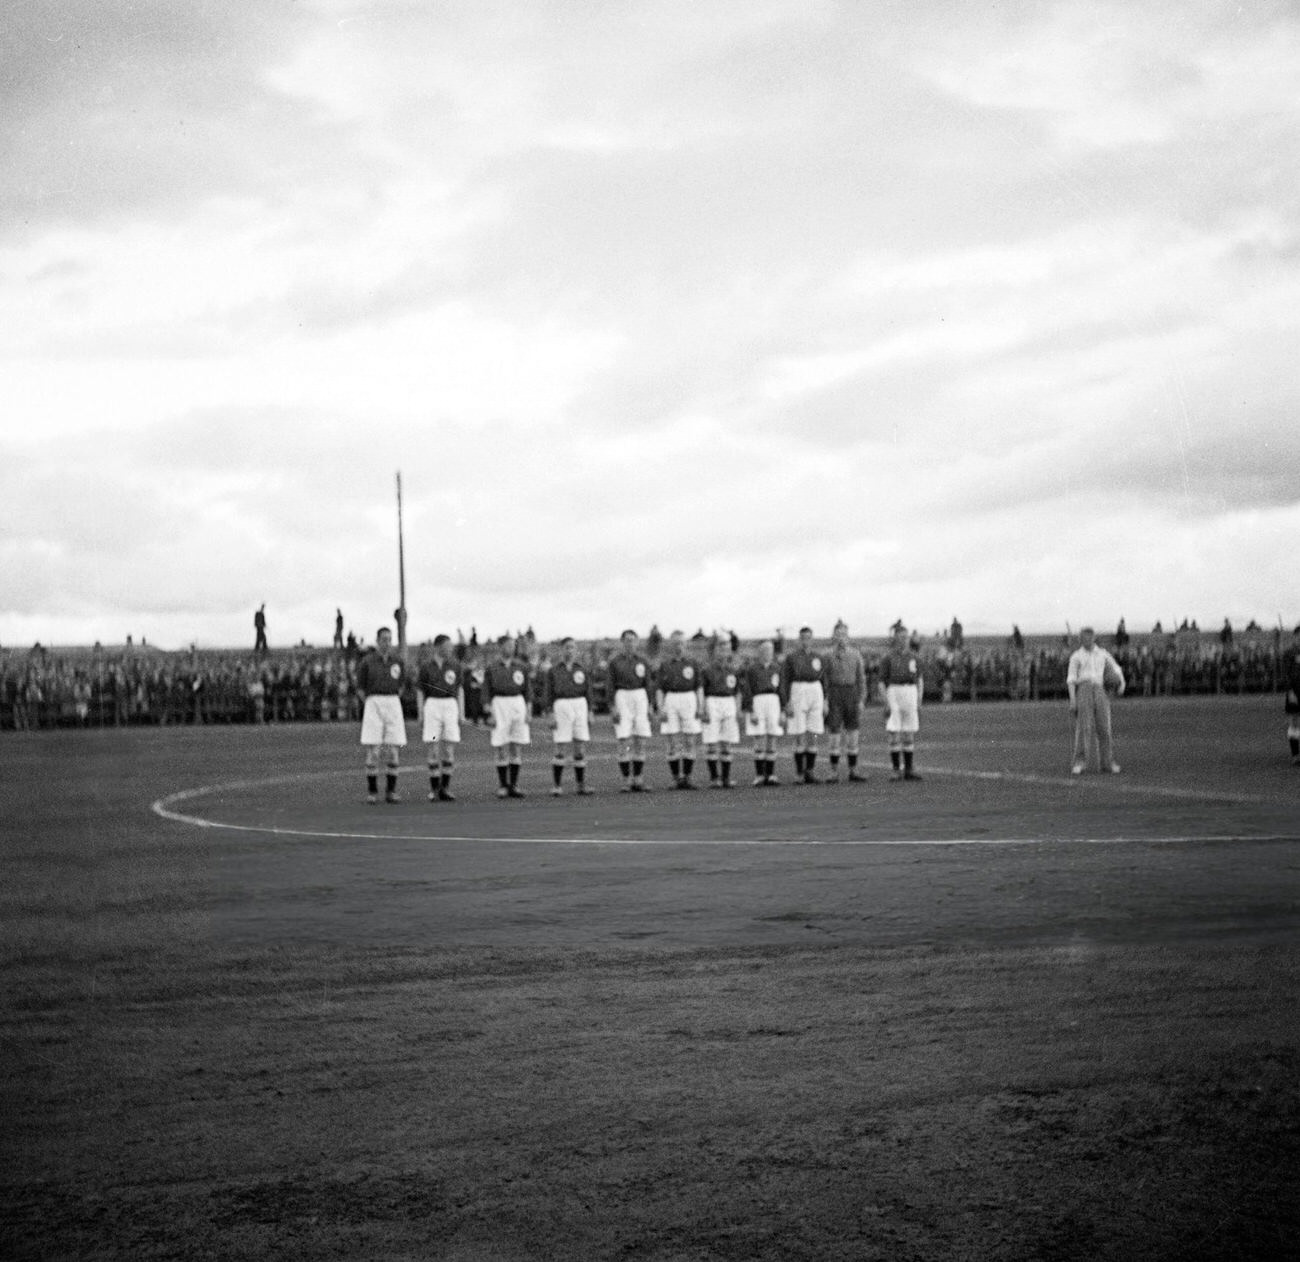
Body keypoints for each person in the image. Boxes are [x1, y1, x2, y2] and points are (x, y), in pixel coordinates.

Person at [355, 626, 407, 803]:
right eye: (384, 639)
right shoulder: (367, 661)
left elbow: (401, 685)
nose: (387, 642)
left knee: (393, 748)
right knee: (374, 749)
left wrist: (390, 699)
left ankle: (391, 791)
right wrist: (371, 703)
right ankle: (372, 791)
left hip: (392, 702)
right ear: (377, 640)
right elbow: (360, 688)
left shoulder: (397, 661)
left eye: (389, 639)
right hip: (373, 702)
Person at [1066, 626, 1125, 775]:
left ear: (1093, 638)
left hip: (1099, 688)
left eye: (1088, 637)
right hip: (1084, 689)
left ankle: (1107, 763)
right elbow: (1071, 679)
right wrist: (1073, 699)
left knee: (1105, 728)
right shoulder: (1076, 656)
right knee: (1083, 728)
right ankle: (1079, 762)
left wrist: (1122, 683)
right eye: (1083, 638)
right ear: (1080, 639)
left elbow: (1116, 669)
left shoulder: (1103, 654)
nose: (1085, 640)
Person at [543, 637, 595, 795]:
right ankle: (557, 786)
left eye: (572, 647)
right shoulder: (553, 670)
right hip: (562, 706)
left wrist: (590, 711)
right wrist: (550, 713)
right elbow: (548, 693)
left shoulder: (582, 669)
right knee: (561, 745)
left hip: (580, 705)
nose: (570, 650)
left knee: (580, 746)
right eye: (567, 647)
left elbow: (588, 691)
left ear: (576, 650)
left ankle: (581, 785)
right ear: (561, 650)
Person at [606, 629, 655, 792]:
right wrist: (613, 707)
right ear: (622, 642)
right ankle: (626, 780)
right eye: (627, 640)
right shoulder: (614, 662)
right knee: (624, 739)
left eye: (633, 640)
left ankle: (638, 779)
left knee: (640, 739)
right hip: (622, 697)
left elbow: (648, 684)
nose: (630, 643)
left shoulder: (643, 661)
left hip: (640, 697)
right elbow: (610, 685)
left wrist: (649, 705)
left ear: (637, 642)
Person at [416, 634, 463, 802]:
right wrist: (421, 713)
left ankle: (445, 788)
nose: (451, 649)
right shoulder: (426, 666)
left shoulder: (455, 665)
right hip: (433, 706)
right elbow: (420, 691)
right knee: (433, 746)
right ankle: (434, 789)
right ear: (438, 647)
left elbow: (459, 689)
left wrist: (461, 713)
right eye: (448, 646)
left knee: (449, 747)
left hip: (450, 705)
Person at [482, 636, 530, 798]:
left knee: (516, 744)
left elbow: (527, 691)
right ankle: (503, 785)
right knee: (501, 745)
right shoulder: (492, 667)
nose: (512, 648)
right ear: (501, 647)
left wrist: (528, 711)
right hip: (499, 704)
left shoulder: (521, 667)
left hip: (517, 703)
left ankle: (514, 785)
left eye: (513, 645)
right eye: (508, 645)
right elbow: (486, 691)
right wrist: (489, 712)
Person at [657, 630, 703, 789]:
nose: (679, 646)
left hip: (689, 699)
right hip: (671, 699)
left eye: (682, 643)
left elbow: (699, 687)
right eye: (676, 643)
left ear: (686, 644)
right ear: (671, 645)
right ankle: (676, 778)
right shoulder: (665, 664)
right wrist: (661, 708)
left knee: (690, 740)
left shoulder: (692, 663)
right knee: (672, 740)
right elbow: (659, 689)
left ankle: (688, 777)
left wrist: (700, 705)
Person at [782, 625, 827, 784]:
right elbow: (785, 680)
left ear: (812, 639)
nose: (805, 641)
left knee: (813, 733)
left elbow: (824, 680)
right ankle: (799, 773)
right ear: (799, 640)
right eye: (803, 638)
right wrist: (786, 701)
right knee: (799, 732)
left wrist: (826, 700)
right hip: (798, 691)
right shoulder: (791, 658)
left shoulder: (818, 657)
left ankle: (810, 771)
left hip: (815, 691)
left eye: (808, 638)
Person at [879, 624, 923, 781]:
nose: (904, 640)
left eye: (906, 637)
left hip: (910, 692)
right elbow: (881, 682)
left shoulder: (914, 657)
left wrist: (919, 699)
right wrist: (886, 701)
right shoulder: (888, 658)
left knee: (909, 732)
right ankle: (896, 769)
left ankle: (909, 769)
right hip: (894, 692)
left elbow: (919, 679)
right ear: (895, 638)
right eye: (901, 637)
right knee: (894, 731)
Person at [824, 619, 867, 782]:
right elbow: (824, 680)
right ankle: (833, 771)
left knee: (853, 733)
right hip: (835, 694)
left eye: (844, 634)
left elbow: (861, 678)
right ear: (833, 636)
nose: (841, 637)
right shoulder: (827, 655)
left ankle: (853, 769)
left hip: (851, 693)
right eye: (838, 634)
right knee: (834, 734)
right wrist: (825, 699)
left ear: (848, 636)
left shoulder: (855, 654)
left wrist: (861, 699)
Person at [700, 642, 742, 788]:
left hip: (729, 702)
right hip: (712, 702)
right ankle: (714, 778)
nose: (723, 653)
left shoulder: (733, 670)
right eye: (720, 650)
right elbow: (702, 691)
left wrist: (737, 709)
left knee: (727, 742)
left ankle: (725, 778)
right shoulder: (706, 670)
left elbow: (737, 692)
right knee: (712, 741)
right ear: (715, 652)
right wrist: (703, 708)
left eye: (726, 650)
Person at [742, 641, 784, 785]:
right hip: (758, 701)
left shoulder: (777, 668)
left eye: (770, 650)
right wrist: (751, 709)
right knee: (759, 737)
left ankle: (771, 775)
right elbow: (747, 690)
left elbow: (782, 690)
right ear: (760, 652)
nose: (768, 653)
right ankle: (760, 775)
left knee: (772, 736)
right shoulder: (752, 669)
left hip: (773, 701)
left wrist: (783, 710)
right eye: (765, 650)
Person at [1283, 631, 1300, 765]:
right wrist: (1290, 691)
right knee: (1294, 721)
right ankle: (1295, 755)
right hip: (1294, 690)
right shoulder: (1290, 653)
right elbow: (1287, 674)